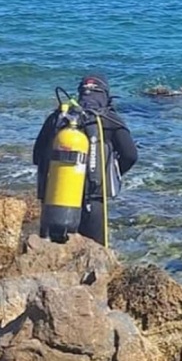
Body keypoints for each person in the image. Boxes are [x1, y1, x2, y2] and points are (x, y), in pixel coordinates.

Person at [32, 74, 138, 247]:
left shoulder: (58, 117)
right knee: (94, 255)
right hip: (94, 199)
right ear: (105, 94)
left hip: (56, 199)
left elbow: (37, 156)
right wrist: (110, 174)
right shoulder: (109, 119)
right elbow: (131, 156)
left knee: (53, 253)